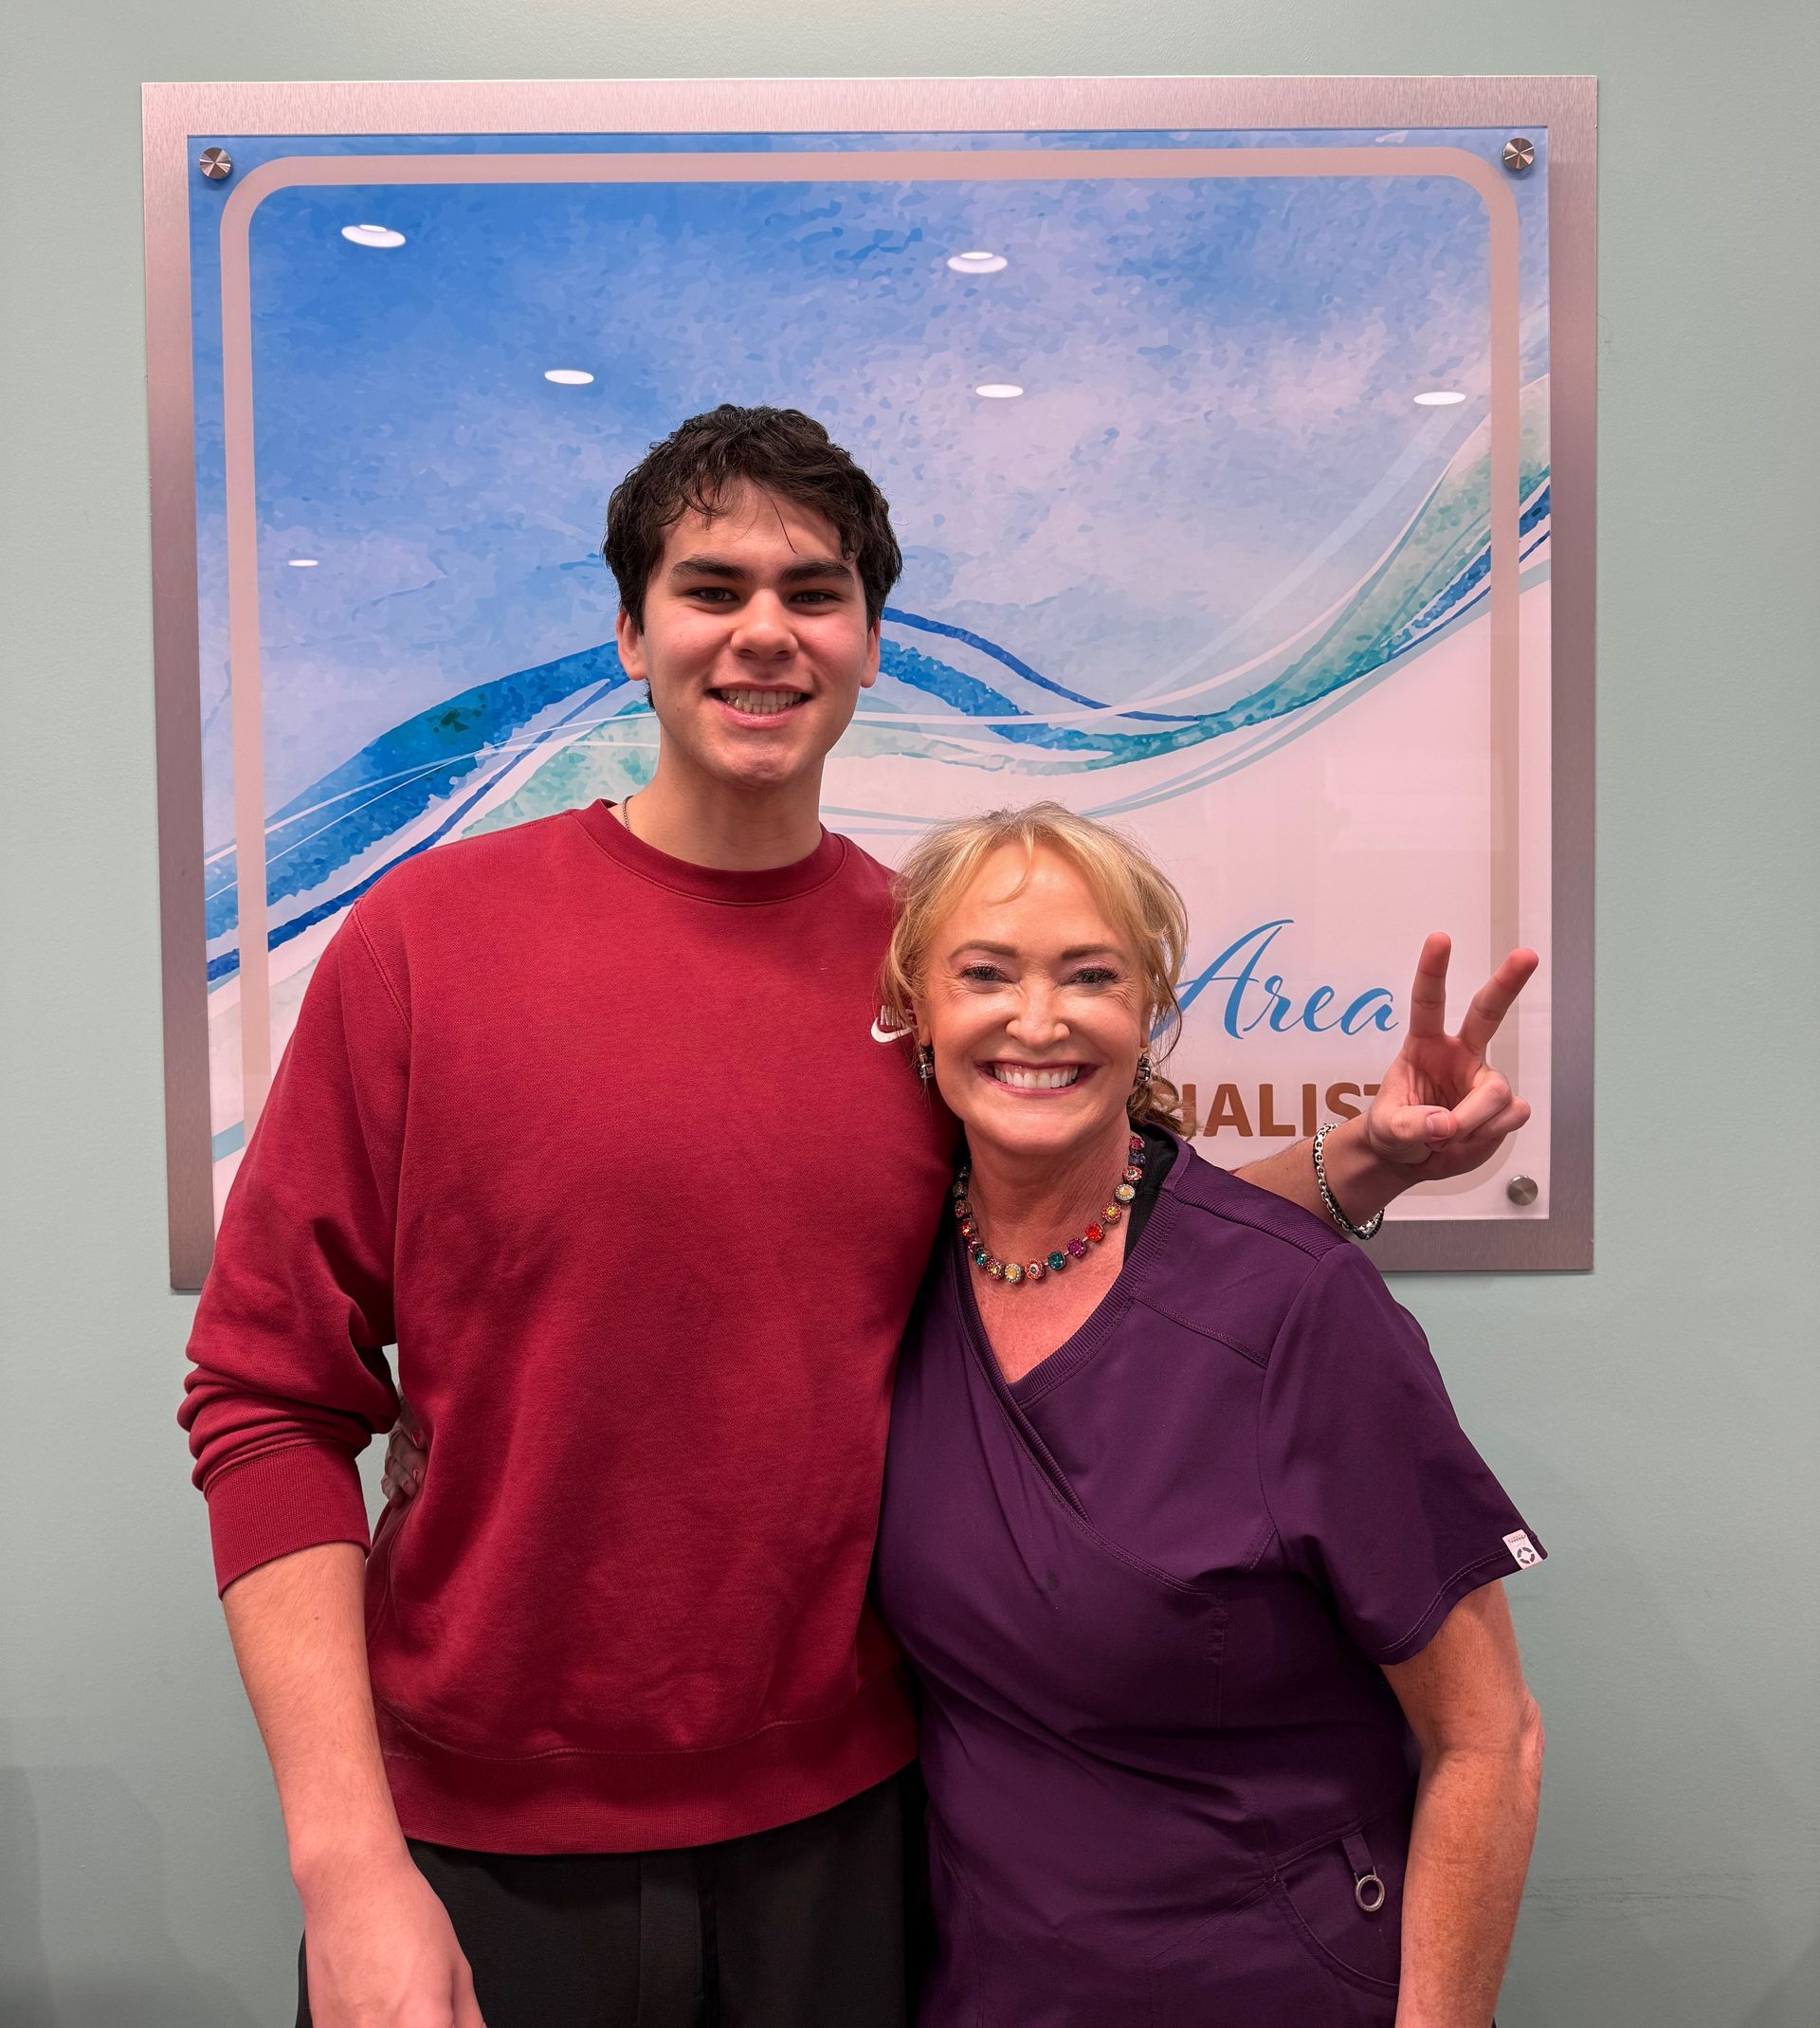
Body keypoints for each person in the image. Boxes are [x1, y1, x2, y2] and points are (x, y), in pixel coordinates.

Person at [181, 406, 1535, 2028]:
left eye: (815, 591)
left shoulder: (935, 971)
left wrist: (1363, 1165)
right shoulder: (427, 946)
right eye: (712, 586)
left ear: (875, 643)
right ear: (629, 634)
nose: (765, 631)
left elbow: (1088, 1247)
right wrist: (347, 1867)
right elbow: (263, 1400)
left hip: (851, 1839)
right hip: (476, 1845)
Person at [871, 803, 1545, 2028]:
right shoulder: (892, 1282)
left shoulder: (1301, 1314)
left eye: (1092, 976)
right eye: (985, 975)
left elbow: (1488, 1741)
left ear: (1150, 1013)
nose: (1038, 1019)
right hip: (989, 1991)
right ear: (917, 1011)